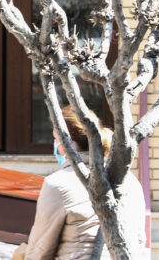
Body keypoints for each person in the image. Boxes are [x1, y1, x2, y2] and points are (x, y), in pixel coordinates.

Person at [14, 108, 147, 260]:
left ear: (67, 143)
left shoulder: (58, 184)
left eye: (56, 139)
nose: (55, 146)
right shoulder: (130, 182)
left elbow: (40, 251)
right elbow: (139, 240)